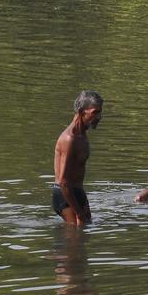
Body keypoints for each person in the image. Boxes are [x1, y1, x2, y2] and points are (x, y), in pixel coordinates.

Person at [53, 90, 102, 225]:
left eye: (100, 112)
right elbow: (63, 182)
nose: (99, 117)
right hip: (65, 195)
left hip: (77, 191)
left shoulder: (82, 133)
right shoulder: (69, 139)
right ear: (82, 111)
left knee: (85, 232)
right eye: (95, 112)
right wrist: (79, 213)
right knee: (75, 239)